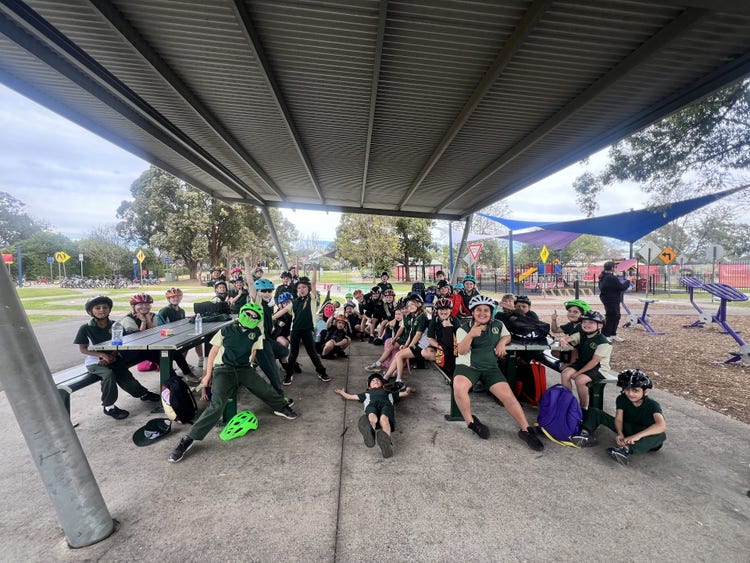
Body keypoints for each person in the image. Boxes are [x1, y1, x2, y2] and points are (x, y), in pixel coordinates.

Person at [168, 303, 299, 463]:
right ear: (242, 313)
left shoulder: (256, 332)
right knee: (217, 405)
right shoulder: (226, 330)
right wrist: (207, 375)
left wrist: (251, 361)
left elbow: (254, 350)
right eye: (248, 314)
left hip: (244, 369)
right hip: (224, 370)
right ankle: (188, 440)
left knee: (264, 389)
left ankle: (281, 407)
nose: (250, 318)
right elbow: (214, 351)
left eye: (254, 316)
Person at [452, 294, 544, 451]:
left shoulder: (498, 324)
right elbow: (461, 350)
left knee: (508, 396)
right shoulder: (464, 328)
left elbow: (507, 335)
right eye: (478, 310)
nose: (482, 313)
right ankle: (471, 422)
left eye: (486, 310)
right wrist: (471, 335)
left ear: (491, 312)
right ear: (473, 312)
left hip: (490, 367)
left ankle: (525, 429)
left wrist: (502, 342)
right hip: (468, 366)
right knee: (459, 387)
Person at [73, 296, 160, 420]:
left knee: (127, 378)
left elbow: (119, 343)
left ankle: (142, 393)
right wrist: (102, 355)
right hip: (95, 362)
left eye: (105, 307)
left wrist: (112, 355)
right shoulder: (85, 328)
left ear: (109, 310)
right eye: (97, 308)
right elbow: (83, 349)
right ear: (90, 312)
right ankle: (109, 406)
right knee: (108, 375)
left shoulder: (115, 325)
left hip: (113, 358)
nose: (102, 310)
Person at [571, 369, 666, 466]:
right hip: (627, 427)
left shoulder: (653, 405)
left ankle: (624, 450)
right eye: (627, 389)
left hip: (644, 435)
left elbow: (661, 425)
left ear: (646, 392)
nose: (630, 394)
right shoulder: (621, 399)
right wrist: (620, 433)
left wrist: (637, 436)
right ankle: (584, 435)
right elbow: (619, 419)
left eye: (635, 390)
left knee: (660, 435)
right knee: (594, 411)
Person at [334, 374, 415, 458]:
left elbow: (405, 393)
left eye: (378, 380)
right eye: (373, 381)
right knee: (372, 416)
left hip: (386, 405)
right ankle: (370, 433)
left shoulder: (389, 393)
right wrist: (342, 392)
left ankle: (386, 442)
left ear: (382, 385)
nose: (376, 381)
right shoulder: (366, 393)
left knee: (384, 418)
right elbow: (349, 397)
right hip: (371, 405)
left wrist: (409, 389)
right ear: (369, 386)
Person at [273, 268, 330, 385]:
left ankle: (322, 372)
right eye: (299, 288)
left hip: (307, 331)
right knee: (293, 354)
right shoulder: (294, 302)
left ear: (308, 288)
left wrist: (314, 269)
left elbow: (314, 283)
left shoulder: (312, 299)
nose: (301, 289)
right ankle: (289, 375)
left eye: (304, 287)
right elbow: (280, 312)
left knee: (312, 353)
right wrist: (267, 318)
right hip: (295, 331)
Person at [558, 310, 612, 410]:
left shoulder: (603, 342)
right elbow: (568, 338)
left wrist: (578, 373)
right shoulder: (582, 334)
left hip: (598, 368)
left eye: (591, 322)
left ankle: (583, 407)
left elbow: (594, 362)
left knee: (580, 380)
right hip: (583, 363)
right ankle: (568, 401)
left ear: (599, 326)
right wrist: (563, 340)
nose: (586, 324)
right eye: (584, 322)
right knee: (565, 374)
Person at [382, 294, 427, 390]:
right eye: (408, 305)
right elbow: (411, 333)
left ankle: (399, 380)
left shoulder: (422, 316)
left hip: (422, 346)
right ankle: (386, 377)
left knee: (400, 355)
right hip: (416, 343)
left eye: (412, 304)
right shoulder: (414, 315)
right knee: (399, 354)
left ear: (419, 304)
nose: (409, 307)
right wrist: (406, 344)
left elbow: (418, 335)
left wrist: (409, 346)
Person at [156, 287, 202, 381]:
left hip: (178, 335)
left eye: (177, 297)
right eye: (172, 297)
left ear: (180, 298)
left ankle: (183, 363)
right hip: (167, 337)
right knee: (182, 346)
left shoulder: (181, 311)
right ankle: (184, 369)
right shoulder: (164, 311)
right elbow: (159, 328)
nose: (175, 299)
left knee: (191, 341)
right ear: (168, 299)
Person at [421, 297, 459, 378]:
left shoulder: (455, 320)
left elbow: (460, 337)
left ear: (451, 310)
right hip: (441, 345)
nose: (443, 311)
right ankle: (442, 362)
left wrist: (449, 327)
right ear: (436, 310)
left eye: (446, 309)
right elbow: (430, 339)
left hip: (454, 347)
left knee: (452, 357)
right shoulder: (434, 321)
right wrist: (439, 346)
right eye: (441, 309)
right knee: (425, 352)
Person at [599, 261, 632, 342]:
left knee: (616, 316)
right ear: (612, 268)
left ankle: (613, 334)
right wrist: (628, 280)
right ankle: (606, 335)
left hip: (608, 298)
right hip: (611, 299)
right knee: (611, 317)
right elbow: (622, 287)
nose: (616, 269)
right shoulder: (611, 278)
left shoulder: (603, 276)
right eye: (615, 267)